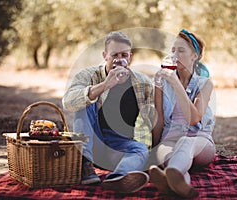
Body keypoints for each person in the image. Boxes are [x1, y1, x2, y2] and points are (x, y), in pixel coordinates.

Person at [62, 31, 154, 193]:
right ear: (105, 55)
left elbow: (154, 118)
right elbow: (68, 102)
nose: (119, 59)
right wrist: (104, 85)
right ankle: (85, 164)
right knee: (85, 99)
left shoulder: (142, 82)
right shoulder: (88, 75)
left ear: (130, 57)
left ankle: (116, 178)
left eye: (124, 54)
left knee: (141, 150)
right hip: (91, 143)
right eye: (114, 55)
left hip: (118, 145)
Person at [149, 29, 216, 198]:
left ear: (195, 56)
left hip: (199, 140)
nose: (174, 55)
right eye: (173, 50)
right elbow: (159, 118)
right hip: (169, 139)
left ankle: (171, 175)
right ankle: (181, 186)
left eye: (181, 50)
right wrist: (153, 148)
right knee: (171, 160)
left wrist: (176, 83)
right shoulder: (161, 82)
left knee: (186, 141)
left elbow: (194, 119)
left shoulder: (205, 84)